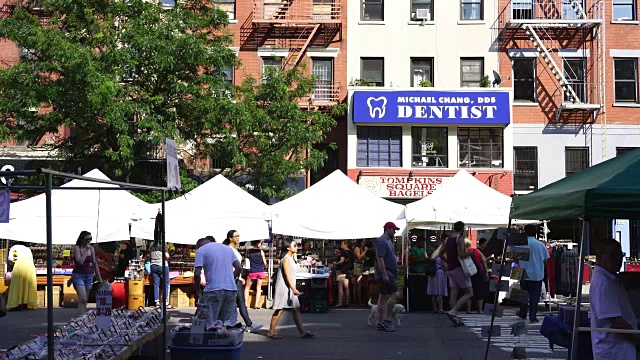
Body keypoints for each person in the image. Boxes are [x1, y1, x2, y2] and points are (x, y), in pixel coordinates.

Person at [590, 238, 639, 359]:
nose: (618, 260)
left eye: (620, 255)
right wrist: (638, 340)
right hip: (614, 350)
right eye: (612, 255)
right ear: (600, 258)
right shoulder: (604, 283)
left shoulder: (610, 278)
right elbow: (616, 323)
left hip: (619, 348)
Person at [267, 239, 315, 339]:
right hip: (284, 288)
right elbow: (287, 275)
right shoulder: (286, 259)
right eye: (294, 245)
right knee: (280, 309)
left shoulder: (291, 258)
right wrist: (293, 289)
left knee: (296, 308)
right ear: (288, 247)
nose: (296, 247)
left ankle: (302, 331)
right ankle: (271, 332)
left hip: (289, 287)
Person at [194, 238, 242, 327]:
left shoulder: (201, 250)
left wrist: (198, 290)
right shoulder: (228, 249)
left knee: (205, 322)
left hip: (212, 289)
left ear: (199, 245)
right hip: (230, 289)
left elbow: (197, 273)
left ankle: (204, 339)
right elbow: (239, 268)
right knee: (228, 324)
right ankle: (227, 339)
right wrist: (231, 278)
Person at [432, 221, 472, 325]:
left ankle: (455, 318)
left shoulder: (447, 239)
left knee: (454, 292)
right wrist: (471, 252)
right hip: (459, 268)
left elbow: (440, 254)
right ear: (463, 229)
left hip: (450, 269)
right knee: (469, 292)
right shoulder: (459, 239)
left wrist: (448, 261)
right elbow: (461, 255)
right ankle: (453, 311)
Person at [223, 230, 262, 332]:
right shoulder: (229, 250)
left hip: (236, 278)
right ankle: (244, 324)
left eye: (238, 236)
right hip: (233, 278)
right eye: (236, 236)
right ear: (230, 238)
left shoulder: (233, 249)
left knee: (239, 302)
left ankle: (246, 323)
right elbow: (230, 265)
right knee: (236, 302)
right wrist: (237, 276)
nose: (238, 238)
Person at [517, 224, 550, 323]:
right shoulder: (540, 245)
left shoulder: (521, 244)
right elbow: (546, 260)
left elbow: (515, 259)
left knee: (523, 295)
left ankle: (523, 313)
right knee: (534, 296)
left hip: (524, 273)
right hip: (537, 274)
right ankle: (533, 316)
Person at [374, 222, 400, 332]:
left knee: (382, 297)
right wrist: (384, 274)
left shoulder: (387, 241)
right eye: (393, 230)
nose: (395, 232)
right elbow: (380, 258)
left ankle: (380, 322)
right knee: (395, 294)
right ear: (388, 229)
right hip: (386, 273)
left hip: (387, 273)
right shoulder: (382, 241)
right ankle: (387, 319)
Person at [71, 231, 103, 315]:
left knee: (85, 300)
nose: (89, 241)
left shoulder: (91, 249)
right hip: (78, 275)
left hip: (89, 275)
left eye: (90, 239)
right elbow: (80, 261)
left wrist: (100, 279)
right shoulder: (77, 248)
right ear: (82, 239)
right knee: (83, 298)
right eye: (87, 239)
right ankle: (81, 316)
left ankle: (82, 315)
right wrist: (86, 251)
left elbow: (95, 263)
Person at [6, 245, 37, 310]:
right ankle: (28, 303)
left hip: (20, 264)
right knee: (28, 285)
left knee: (17, 285)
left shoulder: (13, 248)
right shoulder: (28, 249)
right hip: (30, 264)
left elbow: (11, 259)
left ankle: (17, 303)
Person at [465, 239, 488, 314]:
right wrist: (486, 272)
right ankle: (480, 310)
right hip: (478, 272)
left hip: (468, 273)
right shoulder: (476, 251)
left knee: (469, 291)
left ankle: (468, 309)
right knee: (480, 290)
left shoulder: (462, 252)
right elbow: (484, 261)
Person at [147, 241, 173, 309]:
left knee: (156, 284)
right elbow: (167, 256)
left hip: (153, 266)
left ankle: (157, 302)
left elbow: (149, 256)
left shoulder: (151, 244)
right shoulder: (163, 243)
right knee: (166, 283)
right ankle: (166, 302)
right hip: (162, 266)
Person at [427, 235, 448, 314]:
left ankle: (434, 308)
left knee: (433, 293)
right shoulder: (442, 255)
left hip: (432, 274)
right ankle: (440, 308)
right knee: (439, 292)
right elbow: (446, 267)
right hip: (440, 274)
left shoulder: (433, 255)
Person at [244, 240, 267, 310]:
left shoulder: (249, 251)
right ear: (258, 243)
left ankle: (245, 303)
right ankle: (256, 304)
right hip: (260, 271)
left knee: (247, 287)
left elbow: (246, 259)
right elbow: (265, 263)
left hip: (252, 271)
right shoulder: (261, 252)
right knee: (258, 287)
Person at [332, 240, 354, 308]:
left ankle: (340, 302)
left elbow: (341, 261)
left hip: (341, 270)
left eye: (342, 244)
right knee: (346, 287)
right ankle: (347, 301)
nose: (341, 245)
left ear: (346, 244)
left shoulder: (343, 252)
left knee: (340, 287)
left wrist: (336, 263)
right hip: (348, 271)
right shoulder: (351, 251)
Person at [353, 239, 369, 306]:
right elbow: (359, 257)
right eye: (363, 242)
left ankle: (357, 299)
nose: (363, 243)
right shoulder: (357, 248)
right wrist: (365, 251)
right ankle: (357, 300)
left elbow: (363, 257)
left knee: (358, 283)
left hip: (360, 265)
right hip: (358, 266)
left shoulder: (360, 248)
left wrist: (366, 257)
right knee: (358, 283)